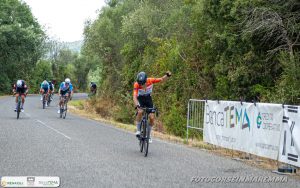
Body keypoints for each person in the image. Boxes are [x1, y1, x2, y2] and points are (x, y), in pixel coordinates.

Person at [133, 71, 171, 143]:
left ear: (146, 81)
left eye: (143, 84)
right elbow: (134, 97)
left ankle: (148, 135)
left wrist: (167, 75)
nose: (142, 85)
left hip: (148, 99)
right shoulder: (136, 84)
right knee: (140, 111)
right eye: (140, 84)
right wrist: (137, 106)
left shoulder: (150, 80)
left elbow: (162, 79)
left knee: (152, 117)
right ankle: (138, 130)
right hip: (140, 99)